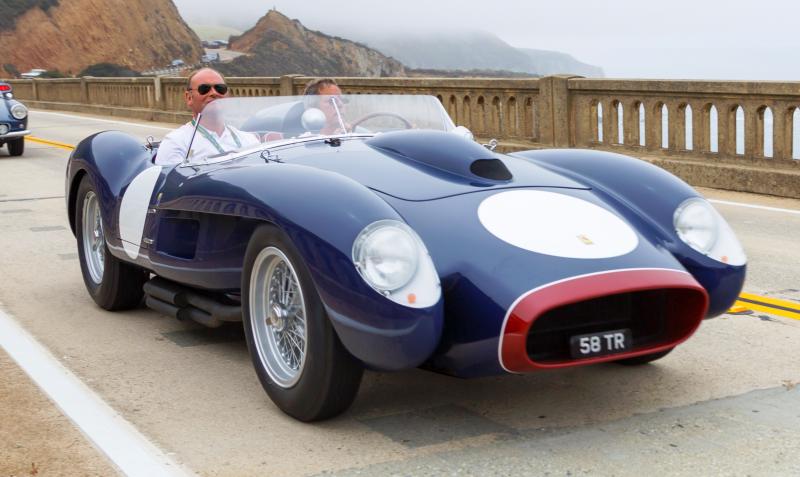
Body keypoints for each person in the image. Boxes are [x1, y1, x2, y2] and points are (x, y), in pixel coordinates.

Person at [156, 68, 259, 165]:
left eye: (220, 88)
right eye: (204, 89)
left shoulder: (249, 140)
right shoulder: (176, 143)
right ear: (189, 97)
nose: (214, 93)